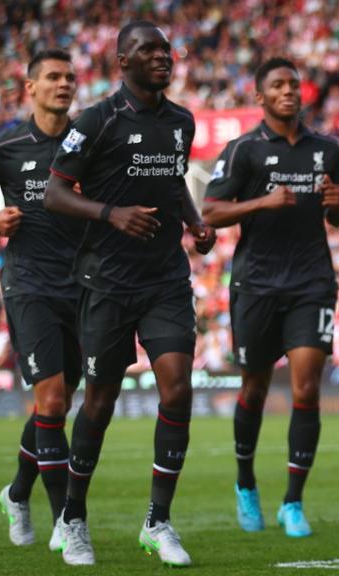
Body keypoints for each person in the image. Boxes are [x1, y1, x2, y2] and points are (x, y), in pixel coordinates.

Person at [43, 21, 215, 567]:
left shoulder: (181, 121)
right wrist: (110, 214)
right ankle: (73, 517)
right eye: (149, 50)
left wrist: (195, 222)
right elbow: (52, 192)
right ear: (123, 61)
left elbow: (173, 184)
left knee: (178, 389)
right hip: (107, 283)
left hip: (165, 279)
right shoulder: (97, 120)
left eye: (166, 49)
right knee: (99, 402)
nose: (162, 57)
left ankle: (158, 522)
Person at [203, 57, 339, 538]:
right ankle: (246, 484)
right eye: (278, 86)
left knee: (307, 389)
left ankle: (293, 501)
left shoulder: (325, 148)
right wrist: (261, 202)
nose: (289, 91)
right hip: (257, 284)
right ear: (260, 97)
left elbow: (338, 216)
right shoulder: (242, 150)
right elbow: (211, 211)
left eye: (294, 84)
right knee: (255, 389)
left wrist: (338, 205)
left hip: (312, 283)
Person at [0, 49, 81, 553]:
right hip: (29, 285)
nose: (63, 83)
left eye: (69, 76)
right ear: (31, 87)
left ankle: (16, 494)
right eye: (52, 76)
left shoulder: (87, 140)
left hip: (83, 285)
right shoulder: (6, 143)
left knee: (59, 403)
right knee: (50, 400)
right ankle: (67, 522)